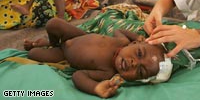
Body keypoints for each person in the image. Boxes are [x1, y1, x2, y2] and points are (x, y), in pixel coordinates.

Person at [24, 17, 171, 98]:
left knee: (33, 54)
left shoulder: (107, 72)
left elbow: (78, 75)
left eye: (140, 71)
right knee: (53, 23)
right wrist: (138, 36)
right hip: (78, 35)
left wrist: (95, 88)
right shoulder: (123, 41)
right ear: (134, 43)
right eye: (139, 53)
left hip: (65, 55)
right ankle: (51, 42)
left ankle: (41, 45)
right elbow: (119, 29)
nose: (134, 63)